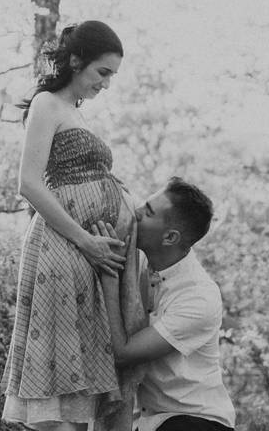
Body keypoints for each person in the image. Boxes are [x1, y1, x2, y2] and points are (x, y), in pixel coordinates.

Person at [1, 21, 148, 431]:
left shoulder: (72, 113)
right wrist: (86, 241)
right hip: (63, 250)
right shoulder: (48, 103)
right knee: (60, 385)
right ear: (77, 60)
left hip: (86, 256)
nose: (106, 84)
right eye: (103, 73)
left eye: (112, 76)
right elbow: (28, 182)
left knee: (81, 380)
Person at [92, 178, 236, 431]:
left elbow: (123, 354)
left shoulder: (198, 297)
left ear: (169, 237)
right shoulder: (141, 264)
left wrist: (109, 279)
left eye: (146, 213)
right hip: (149, 422)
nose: (135, 214)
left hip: (196, 421)